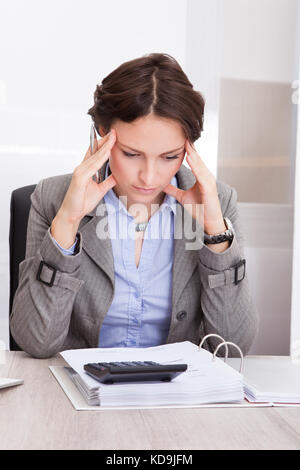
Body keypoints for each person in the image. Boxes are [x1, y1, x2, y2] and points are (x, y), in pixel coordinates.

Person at [10, 53, 259, 358]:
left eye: (169, 156)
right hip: (80, 396)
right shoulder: (53, 197)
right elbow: (36, 342)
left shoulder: (217, 202)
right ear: (101, 133)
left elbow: (232, 348)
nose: (149, 176)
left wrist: (215, 235)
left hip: (176, 398)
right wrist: (68, 220)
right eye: (131, 154)